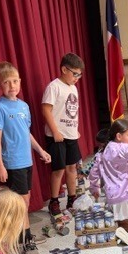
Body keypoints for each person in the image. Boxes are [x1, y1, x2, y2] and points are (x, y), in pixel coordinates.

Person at [0, 61, 51, 254]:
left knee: (23, 202)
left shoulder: (24, 106)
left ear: (20, 81)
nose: (12, 86)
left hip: (28, 161)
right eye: (6, 82)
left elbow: (27, 133)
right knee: (21, 202)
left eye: (15, 81)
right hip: (13, 162)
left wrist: (41, 150)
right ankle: (26, 241)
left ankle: (20, 235)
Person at [42, 52, 85, 216]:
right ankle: (54, 201)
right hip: (57, 136)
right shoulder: (54, 86)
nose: (77, 78)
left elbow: (71, 112)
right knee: (58, 170)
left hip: (71, 134)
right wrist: (55, 131)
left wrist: (75, 129)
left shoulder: (73, 88)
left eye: (79, 75)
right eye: (75, 74)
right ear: (64, 69)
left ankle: (72, 198)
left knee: (71, 168)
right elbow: (46, 109)